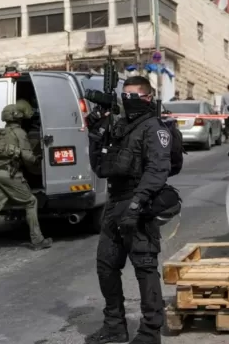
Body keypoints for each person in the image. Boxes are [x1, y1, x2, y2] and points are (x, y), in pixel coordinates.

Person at [86, 76, 172, 344]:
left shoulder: (154, 128)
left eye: (133, 96)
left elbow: (158, 170)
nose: (127, 100)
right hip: (114, 204)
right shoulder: (121, 127)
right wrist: (96, 130)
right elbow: (100, 166)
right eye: (125, 96)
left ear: (147, 98)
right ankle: (115, 326)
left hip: (139, 204)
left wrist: (137, 204)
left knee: (144, 268)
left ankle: (150, 331)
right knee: (106, 266)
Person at [0, 102, 52, 259]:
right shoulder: (19, 133)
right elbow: (28, 157)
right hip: (10, 175)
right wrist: (41, 156)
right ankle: (37, 240)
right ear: (19, 117)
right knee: (31, 202)